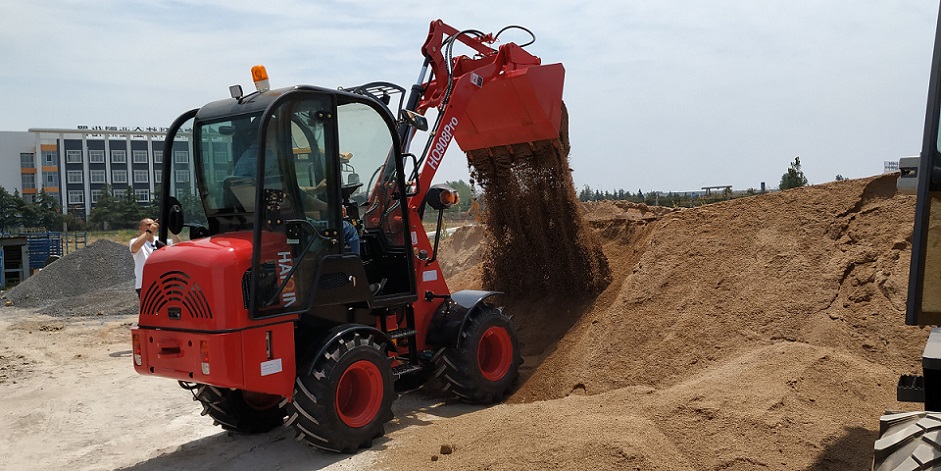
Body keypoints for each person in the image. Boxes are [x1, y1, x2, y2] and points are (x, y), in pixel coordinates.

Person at [130, 218, 179, 297]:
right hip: (144, 284)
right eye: (148, 225)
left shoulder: (160, 240)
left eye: (153, 224)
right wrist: (149, 231)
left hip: (163, 282)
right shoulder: (135, 241)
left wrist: (170, 228)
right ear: (141, 228)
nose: (152, 226)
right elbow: (134, 248)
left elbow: (178, 245)